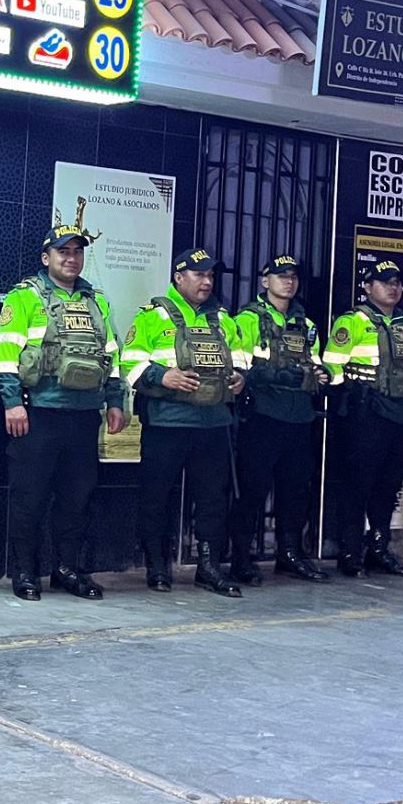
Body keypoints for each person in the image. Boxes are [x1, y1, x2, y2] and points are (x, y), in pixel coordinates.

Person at [0, 224, 126, 601]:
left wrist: (116, 401)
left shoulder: (97, 301)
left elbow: (111, 355)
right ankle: (25, 571)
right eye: (63, 251)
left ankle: (67, 569)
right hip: (39, 414)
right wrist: (12, 402)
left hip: (84, 415)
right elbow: (6, 353)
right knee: (29, 497)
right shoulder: (25, 297)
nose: (71, 258)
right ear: (46, 257)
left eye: (77, 251)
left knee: (76, 498)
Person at [121, 247, 246, 598]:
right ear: (178, 277)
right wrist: (162, 376)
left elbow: (241, 360)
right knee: (156, 496)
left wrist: (241, 378)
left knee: (212, 500)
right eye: (199, 274)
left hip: (214, 423)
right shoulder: (152, 317)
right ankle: (157, 566)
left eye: (210, 276)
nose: (207, 282)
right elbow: (128, 363)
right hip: (167, 422)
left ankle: (208, 568)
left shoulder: (223, 319)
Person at [227, 255, 331, 585]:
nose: (289, 281)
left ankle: (289, 554)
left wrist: (321, 374)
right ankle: (240, 559)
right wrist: (274, 375)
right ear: (265, 281)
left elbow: (315, 362)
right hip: (262, 416)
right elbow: (237, 367)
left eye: (293, 276)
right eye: (281, 276)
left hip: (299, 417)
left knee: (296, 490)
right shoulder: (247, 320)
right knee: (252, 491)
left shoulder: (306, 323)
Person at [323, 259, 403, 577]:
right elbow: (332, 365)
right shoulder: (352, 321)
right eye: (385, 282)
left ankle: (379, 550)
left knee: (388, 486)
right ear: (368, 288)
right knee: (357, 485)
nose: (393, 288)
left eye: (397, 282)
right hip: (367, 414)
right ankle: (350, 552)